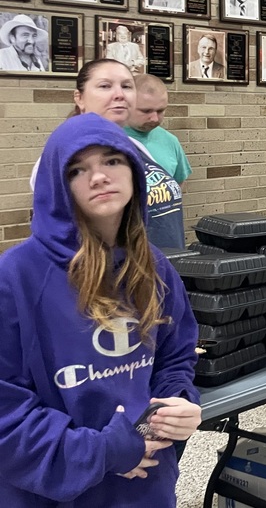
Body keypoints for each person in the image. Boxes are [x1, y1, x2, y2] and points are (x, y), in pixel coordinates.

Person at [1, 113, 201, 505]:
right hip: (55, 491)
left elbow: (175, 358)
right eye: (78, 169)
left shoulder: (154, 265)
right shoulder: (17, 276)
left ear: (134, 170)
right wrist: (103, 452)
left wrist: (178, 405)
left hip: (145, 483)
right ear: (57, 187)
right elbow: (6, 410)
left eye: (112, 160)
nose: (98, 177)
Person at [30, 59, 187, 249]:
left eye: (126, 86)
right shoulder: (59, 156)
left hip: (151, 263)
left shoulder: (136, 147)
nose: (119, 94)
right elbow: (54, 229)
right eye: (105, 86)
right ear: (79, 97)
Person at [125, 74, 192, 185]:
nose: (154, 119)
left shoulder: (170, 140)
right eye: (146, 111)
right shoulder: (106, 140)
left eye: (160, 111)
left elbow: (178, 184)